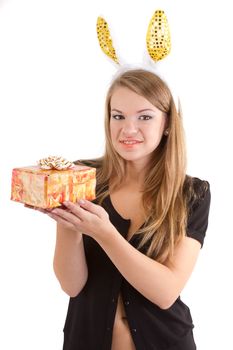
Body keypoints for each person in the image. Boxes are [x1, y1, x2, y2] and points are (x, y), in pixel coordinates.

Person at [41, 68, 211, 350]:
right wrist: (67, 223)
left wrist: (105, 233)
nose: (128, 129)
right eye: (118, 116)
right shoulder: (82, 177)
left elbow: (166, 292)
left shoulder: (192, 193)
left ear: (167, 122)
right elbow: (72, 286)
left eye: (144, 117)